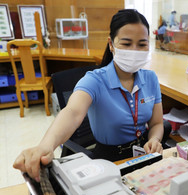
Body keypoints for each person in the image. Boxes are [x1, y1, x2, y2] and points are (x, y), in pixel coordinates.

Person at [13, 9, 165, 182]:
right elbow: (72, 112)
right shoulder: (95, 80)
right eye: (127, 43)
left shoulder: (150, 78)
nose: (135, 50)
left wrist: (154, 139)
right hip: (110, 160)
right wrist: (45, 145)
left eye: (142, 44)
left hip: (144, 156)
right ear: (111, 44)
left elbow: (157, 123)